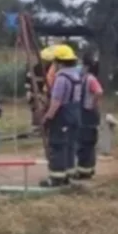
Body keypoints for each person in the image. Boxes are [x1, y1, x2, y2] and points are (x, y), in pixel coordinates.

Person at [40, 44, 83, 187]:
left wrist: (47, 117)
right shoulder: (77, 75)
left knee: (58, 145)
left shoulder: (61, 78)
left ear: (59, 62)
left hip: (62, 116)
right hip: (75, 114)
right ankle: (68, 174)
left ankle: (56, 177)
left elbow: (56, 101)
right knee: (70, 145)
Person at [74, 52, 105, 179]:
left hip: (88, 114)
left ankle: (84, 171)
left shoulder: (90, 79)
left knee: (85, 143)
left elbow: (99, 92)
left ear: (86, 66)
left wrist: (92, 103)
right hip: (87, 113)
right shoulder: (85, 78)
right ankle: (88, 169)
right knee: (87, 143)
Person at [26, 46, 55, 126]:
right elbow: (28, 80)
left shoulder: (50, 69)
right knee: (38, 109)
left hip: (41, 93)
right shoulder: (38, 69)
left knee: (40, 109)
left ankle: (41, 126)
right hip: (38, 93)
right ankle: (39, 126)